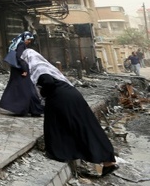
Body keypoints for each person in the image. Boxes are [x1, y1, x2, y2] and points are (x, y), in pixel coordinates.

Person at [20, 48, 118, 177]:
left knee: (55, 125)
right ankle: (107, 160)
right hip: (72, 95)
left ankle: (60, 153)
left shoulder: (38, 68)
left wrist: (44, 93)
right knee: (85, 125)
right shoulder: (46, 66)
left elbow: (48, 82)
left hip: (60, 98)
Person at [0, 31, 44, 117]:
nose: (29, 42)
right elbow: (20, 58)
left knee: (21, 89)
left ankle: (31, 109)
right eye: (28, 40)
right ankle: (32, 109)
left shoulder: (17, 43)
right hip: (21, 70)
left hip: (17, 70)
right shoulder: (21, 45)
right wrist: (24, 70)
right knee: (27, 89)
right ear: (25, 38)